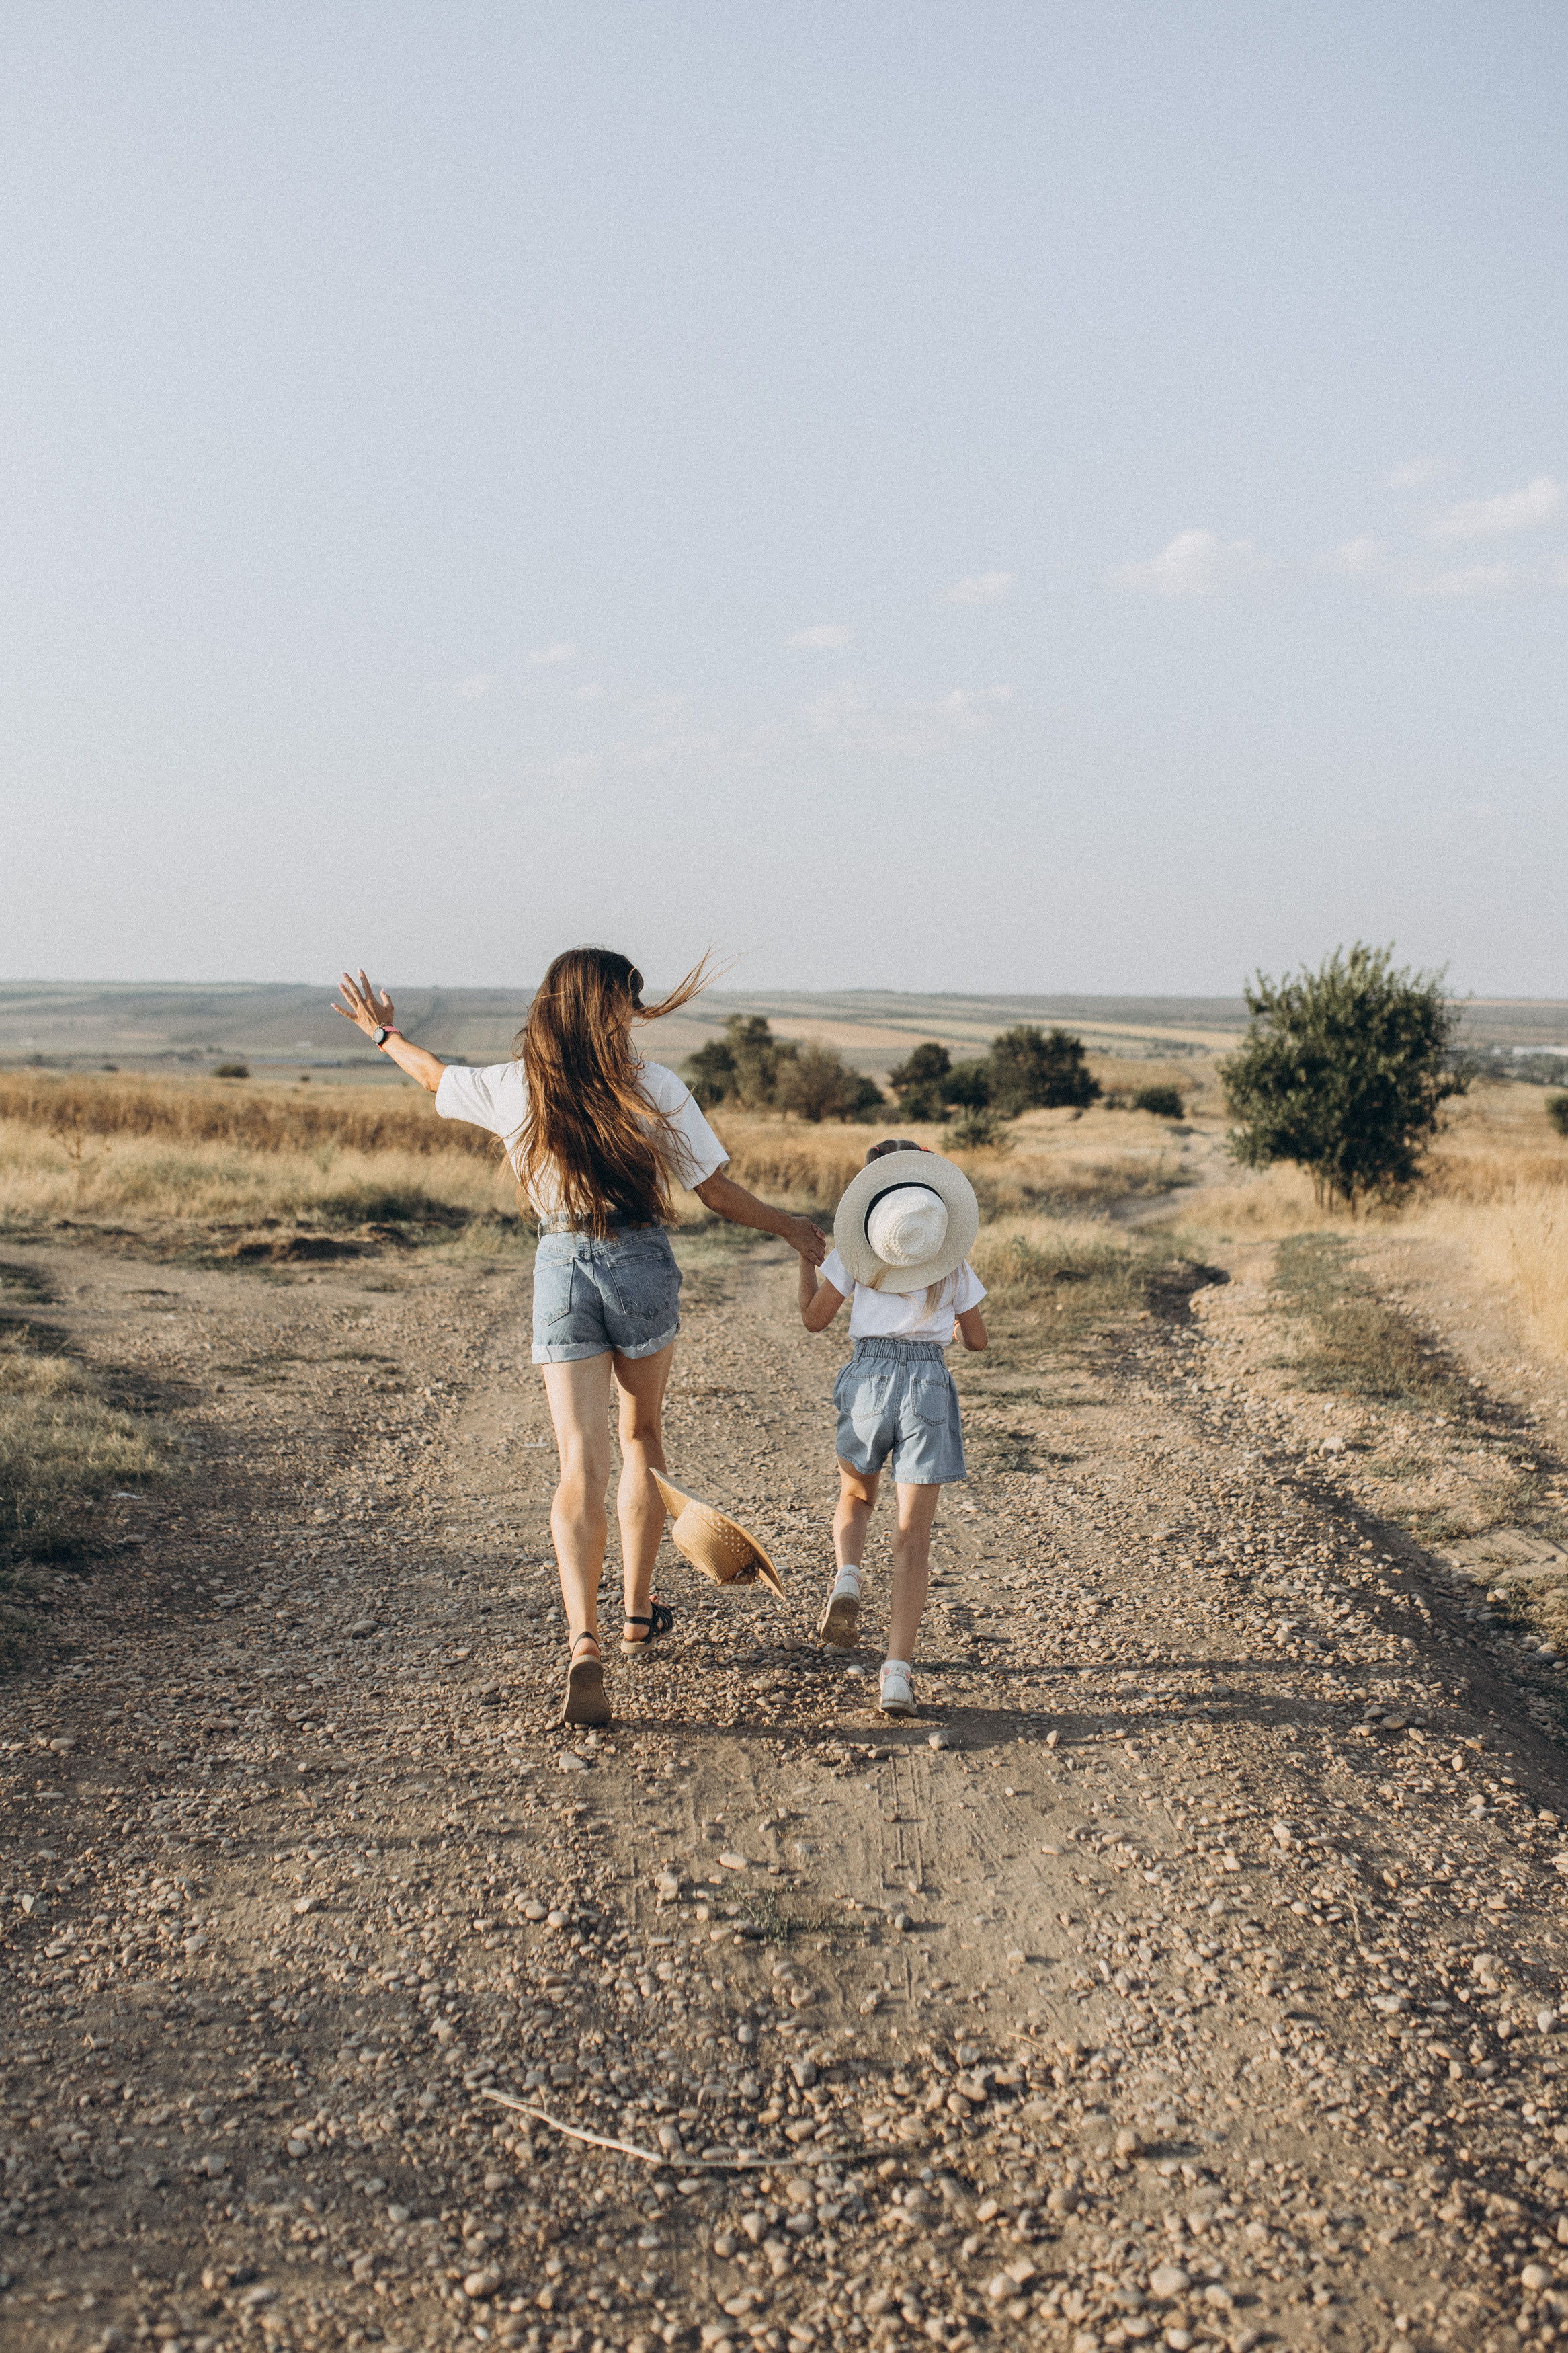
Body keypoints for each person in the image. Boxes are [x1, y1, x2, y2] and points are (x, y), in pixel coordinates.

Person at [333, 950, 826, 1728]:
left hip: (560, 1261)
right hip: (639, 1259)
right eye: (628, 1004)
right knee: (642, 1434)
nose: (633, 1017)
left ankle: (583, 1639)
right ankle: (635, 1614)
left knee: (577, 1459)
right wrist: (795, 1229)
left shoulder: (515, 1085)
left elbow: (432, 1075)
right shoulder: (652, 1087)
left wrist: (382, 1033)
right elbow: (718, 1193)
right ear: (610, 1009)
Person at [794, 1137, 987, 1718]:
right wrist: (946, 1328)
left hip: (868, 1379)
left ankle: (847, 1576)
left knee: (856, 1493)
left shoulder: (855, 1257)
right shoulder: (951, 1265)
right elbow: (977, 1340)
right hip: (927, 1384)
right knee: (913, 1536)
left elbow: (813, 1321)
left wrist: (805, 1264)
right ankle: (896, 1676)